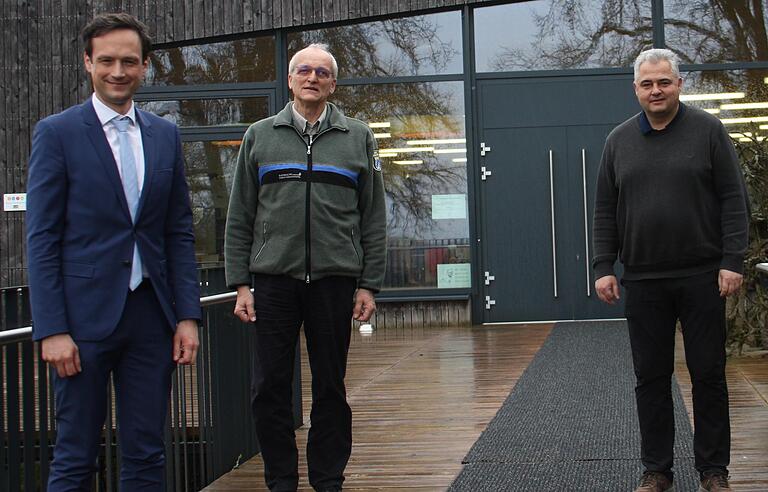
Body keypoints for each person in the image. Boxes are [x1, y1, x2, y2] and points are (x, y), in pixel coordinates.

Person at [26, 13, 201, 490]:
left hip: (151, 317)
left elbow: (177, 233)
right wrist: (52, 328)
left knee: (147, 452)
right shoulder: (56, 133)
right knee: (75, 454)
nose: (117, 71)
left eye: (129, 61)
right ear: (88, 63)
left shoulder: (164, 135)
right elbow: (40, 239)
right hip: (80, 324)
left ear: (145, 66)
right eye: (106, 61)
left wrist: (187, 316)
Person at [224, 43, 386, 492]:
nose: (311, 77)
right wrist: (240, 282)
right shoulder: (260, 135)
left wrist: (368, 284)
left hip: (335, 282)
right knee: (269, 387)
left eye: (321, 72)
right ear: (290, 80)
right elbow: (240, 214)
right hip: (273, 282)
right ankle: (281, 479)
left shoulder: (357, 137)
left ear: (333, 83)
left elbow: (373, 216)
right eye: (303, 70)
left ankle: (327, 478)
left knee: (331, 387)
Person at [592, 48, 748, 492]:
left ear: (680, 84)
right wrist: (604, 265)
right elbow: (606, 210)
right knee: (651, 379)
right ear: (636, 89)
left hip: (703, 276)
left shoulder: (709, 132)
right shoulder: (617, 142)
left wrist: (731, 261)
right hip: (643, 279)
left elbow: (734, 201)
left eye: (664, 82)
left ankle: (713, 471)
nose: (655, 90)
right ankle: (657, 470)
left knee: (709, 376)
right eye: (647, 83)